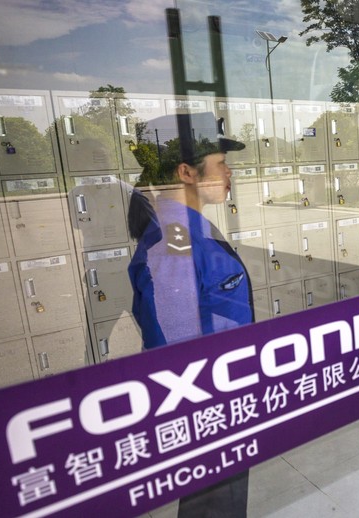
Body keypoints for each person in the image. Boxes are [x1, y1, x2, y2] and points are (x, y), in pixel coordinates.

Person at [127, 112, 251, 516]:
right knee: (214, 506)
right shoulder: (174, 243)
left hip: (221, 392)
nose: (230, 172)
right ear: (187, 172)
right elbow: (176, 345)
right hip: (208, 403)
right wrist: (209, 416)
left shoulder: (188, 227)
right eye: (221, 163)